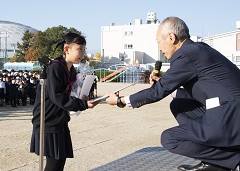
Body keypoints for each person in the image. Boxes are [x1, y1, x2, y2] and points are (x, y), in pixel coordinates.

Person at [105, 17, 240, 171]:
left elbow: (157, 92)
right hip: (227, 109)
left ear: (171, 37)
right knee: (179, 104)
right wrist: (165, 83)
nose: (160, 48)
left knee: (170, 138)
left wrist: (120, 101)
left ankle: (234, 160)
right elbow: (200, 89)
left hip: (231, 116)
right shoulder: (198, 49)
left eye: (159, 42)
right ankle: (215, 161)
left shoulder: (186, 54)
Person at [30, 32, 99, 171]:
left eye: (84, 50)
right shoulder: (55, 67)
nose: (82, 53)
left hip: (60, 119)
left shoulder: (71, 69)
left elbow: (70, 93)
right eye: (79, 49)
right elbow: (57, 96)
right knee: (54, 163)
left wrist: (82, 97)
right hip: (47, 120)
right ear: (66, 49)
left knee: (60, 161)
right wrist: (82, 105)